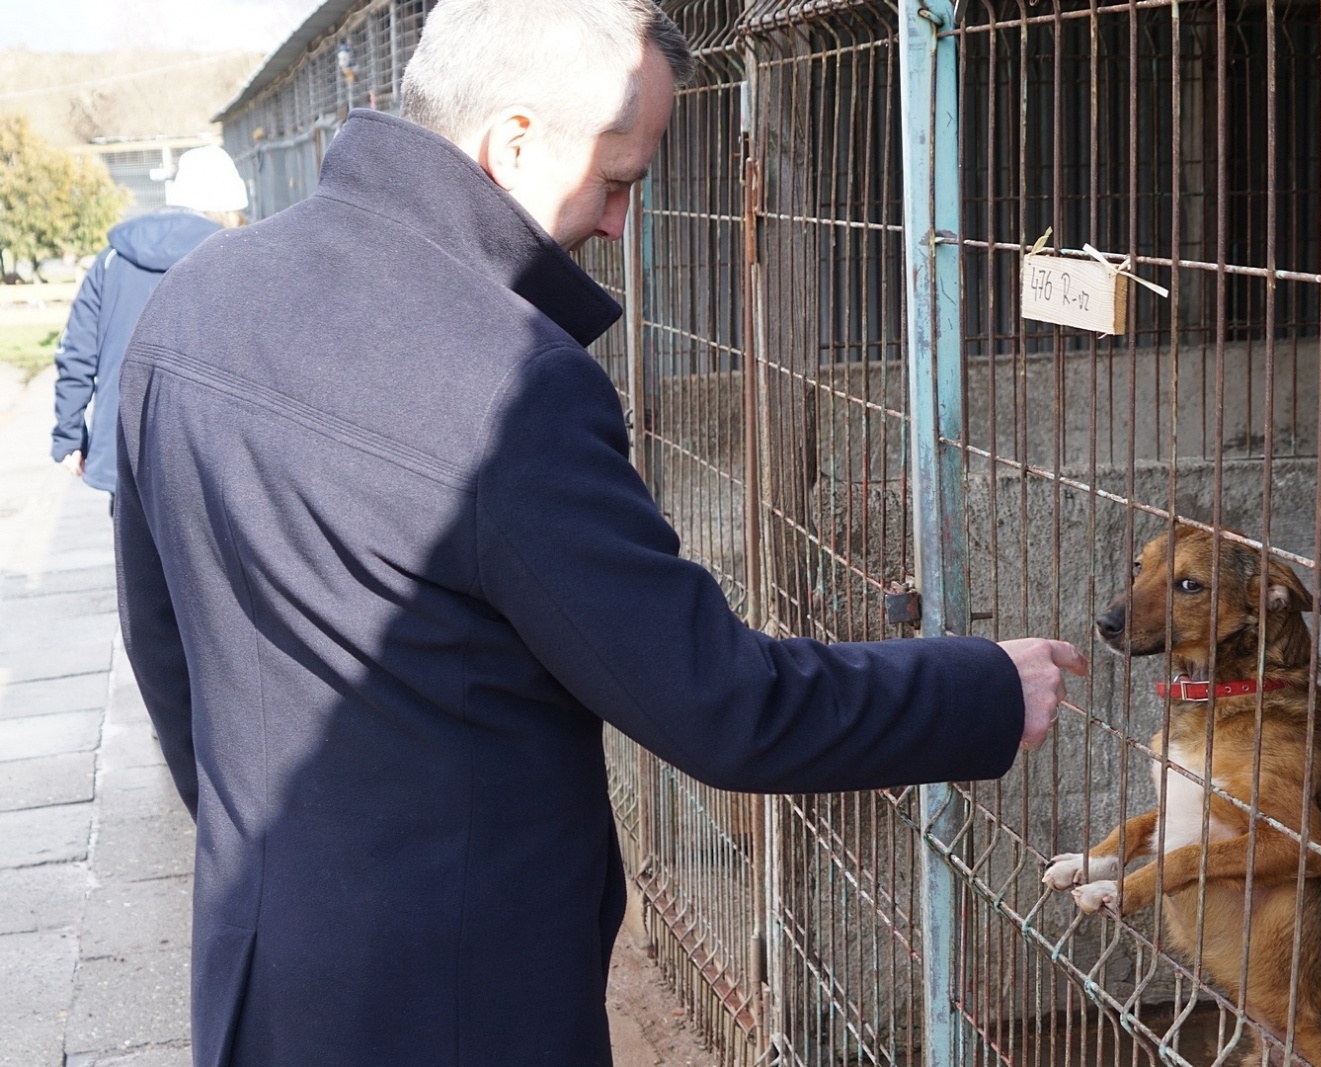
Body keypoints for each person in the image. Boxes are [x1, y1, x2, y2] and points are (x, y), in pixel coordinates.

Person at [112, 2, 1087, 1064]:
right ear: (516, 140)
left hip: (256, 973)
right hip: (461, 1000)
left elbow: (165, 650)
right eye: (618, 179)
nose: (622, 224)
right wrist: (981, 686)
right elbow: (718, 701)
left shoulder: (195, 300)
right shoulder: (507, 385)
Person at [51, 145, 247, 501]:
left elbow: (77, 350)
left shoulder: (114, 257)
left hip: (123, 441)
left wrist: (68, 436)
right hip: (208, 450)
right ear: (232, 205)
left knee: (134, 554)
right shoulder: (234, 255)